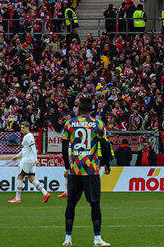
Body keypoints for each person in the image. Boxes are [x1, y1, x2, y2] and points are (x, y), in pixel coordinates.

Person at [61, 99, 111, 247]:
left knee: (71, 204)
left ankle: (67, 239)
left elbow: (64, 148)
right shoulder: (98, 123)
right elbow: (105, 145)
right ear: (91, 110)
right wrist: (106, 164)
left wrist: (67, 167)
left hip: (75, 169)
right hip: (91, 169)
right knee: (95, 204)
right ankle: (97, 239)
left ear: (78, 109)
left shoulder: (69, 124)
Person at [9, 121, 48, 204]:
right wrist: (17, 156)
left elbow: (33, 147)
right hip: (31, 160)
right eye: (21, 128)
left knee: (20, 176)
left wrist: (36, 159)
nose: (21, 129)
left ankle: (17, 198)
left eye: (23, 128)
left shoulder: (29, 136)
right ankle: (45, 193)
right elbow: (25, 150)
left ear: (27, 128)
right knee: (31, 178)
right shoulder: (27, 136)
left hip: (27, 160)